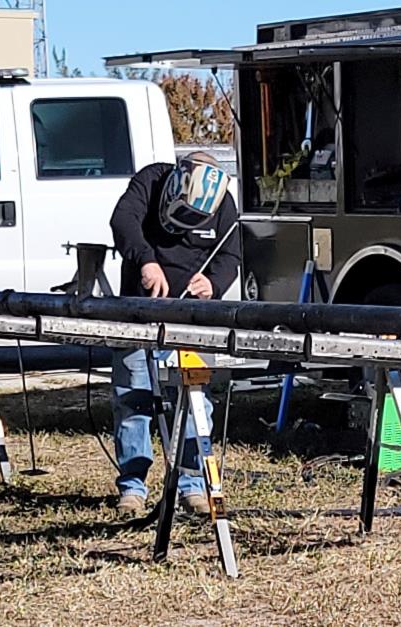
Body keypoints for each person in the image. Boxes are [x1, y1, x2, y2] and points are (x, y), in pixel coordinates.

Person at [109, 152, 241, 514]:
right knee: (134, 398)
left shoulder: (222, 202)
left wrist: (213, 284)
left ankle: (192, 483)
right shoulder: (150, 182)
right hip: (140, 315)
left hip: (193, 320)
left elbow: (232, 253)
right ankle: (133, 487)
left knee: (195, 401)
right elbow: (123, 222)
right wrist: (146, 261)